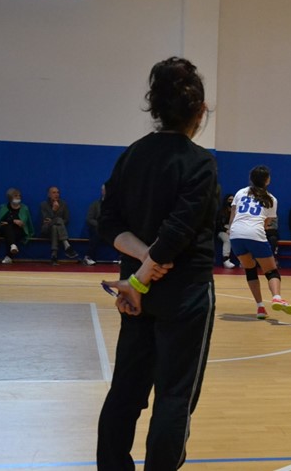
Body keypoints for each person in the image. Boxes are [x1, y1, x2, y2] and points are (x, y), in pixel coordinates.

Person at [96, 57, 217, 469]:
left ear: (156, 107)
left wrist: (138, 271)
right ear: (199, 111)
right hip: (183, 295)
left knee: (125, 390)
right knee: (174, 395)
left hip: (135, 296)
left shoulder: (132, 155)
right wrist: (145, 274)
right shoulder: (200, 162)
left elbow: (108, 222)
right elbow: (177, 232)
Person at [229, 165, 291, 319]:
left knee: (250, 270)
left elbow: (233, 215)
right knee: (271, 271)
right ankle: (277, 298)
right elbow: (266, 224)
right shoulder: (271, 199)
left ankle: (260, 307)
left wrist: (233, 233)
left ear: (251, 179)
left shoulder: (241, 192)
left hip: (236, 234)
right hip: (255, 233)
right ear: (267, 180)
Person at [40, 186, 80, 264]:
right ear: (49, 194)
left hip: (57, 230)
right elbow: (46, 220)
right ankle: (66, 244)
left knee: (55, 227)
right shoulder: (43, 205)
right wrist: (53, 211)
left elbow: (66, 219)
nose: (56, 194)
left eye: (58, 192)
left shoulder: (63, 204)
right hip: (46, 229)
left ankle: (54, 255)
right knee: (58, 220)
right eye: (54, 193)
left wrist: (55, 222)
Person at [0, 188, 34, 264]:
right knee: (8, 228)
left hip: (19, 229)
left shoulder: (24, 208)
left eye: (19, 196)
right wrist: (14, 221)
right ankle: (12, 248)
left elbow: (23, 222)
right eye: (16, 195)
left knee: (10, 231)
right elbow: (1, 221)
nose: (18, 197)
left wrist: (10, 222)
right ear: (10, 197)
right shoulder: (3, 207)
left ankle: (10, 252)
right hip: (4, 229)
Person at [84, 184, 118, 266]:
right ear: (102, 191)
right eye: (105, 190)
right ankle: (89, 257)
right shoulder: (95, 204)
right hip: (98, 228)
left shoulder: (114, 205)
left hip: (110, 229)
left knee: (120, 234)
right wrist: (100, 224)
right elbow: (89, 219)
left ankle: (121, 258)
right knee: (96, 232)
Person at [216, 193, 237, 268]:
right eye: (229, 200)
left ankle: (243, 261)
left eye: (232, 200)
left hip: (234, 230)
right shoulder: (221, 212)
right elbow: (218, 225)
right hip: (222, 231)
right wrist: (225, 230)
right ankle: (226, 260)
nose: (231, 202)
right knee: (227, 240)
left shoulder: (237, 212)